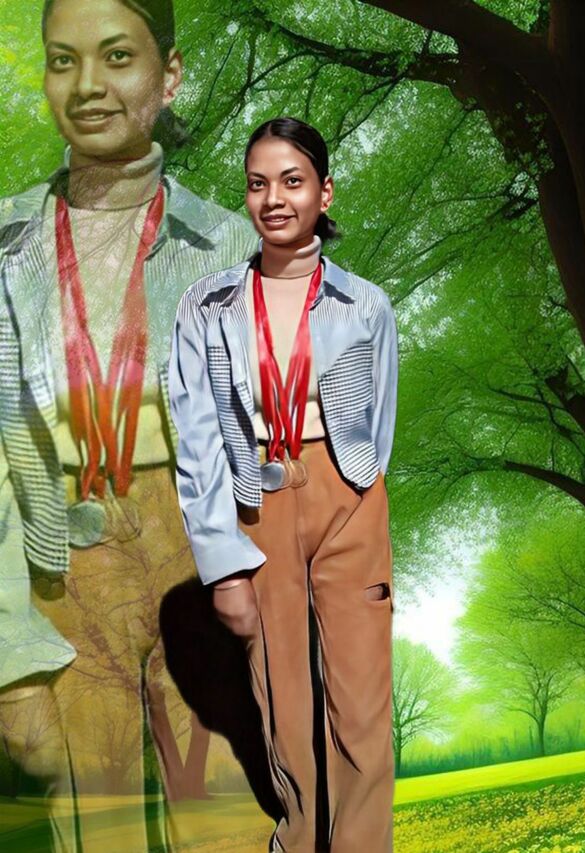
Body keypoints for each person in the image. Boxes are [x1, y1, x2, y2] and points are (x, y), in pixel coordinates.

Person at [0, 1, 262, 850]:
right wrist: (12, 660)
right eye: (62, 60)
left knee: (232, 821)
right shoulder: (3, 246)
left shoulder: (230, 246)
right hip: (58, 563)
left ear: (169, 73)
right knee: (99, 828)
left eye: (117, 56)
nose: (87, 85)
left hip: (205, 554)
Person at [169, 116, 399, 852]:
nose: (274, 198)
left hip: (348, 497)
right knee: (283, 701)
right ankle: (299, 841)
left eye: (292, 181)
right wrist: (222, 564)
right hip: (254, 499)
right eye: (258, 183)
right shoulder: (206, 307)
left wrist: (351, 486)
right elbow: (197, 436)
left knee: (363, 702)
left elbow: (379, 420)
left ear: (323, 193)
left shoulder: (366, 305)